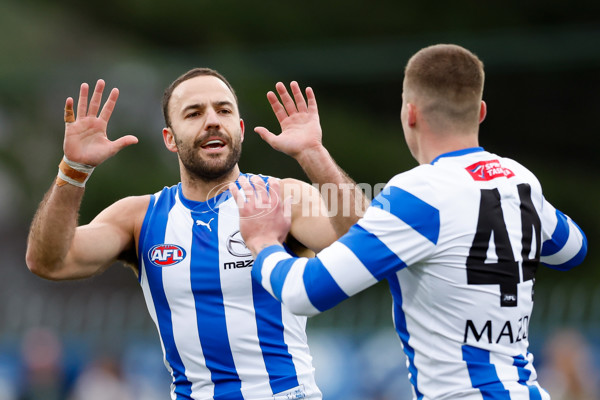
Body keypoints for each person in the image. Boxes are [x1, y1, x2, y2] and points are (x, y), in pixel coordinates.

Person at [231, 44, 589, 399]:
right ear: (480, 112)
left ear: (410, 114)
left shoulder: (418, 193)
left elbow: (304, 292)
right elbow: (573, 250)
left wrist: (263, 242)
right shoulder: (518, 179)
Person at [25, 68, 367, 400]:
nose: (213, 120)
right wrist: (74, 170)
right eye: (194, 113)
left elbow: (370, 241)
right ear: (170, 139)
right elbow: (49, 262)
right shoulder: (138, 218)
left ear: (240, 128)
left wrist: (314, 155)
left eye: (224, 110)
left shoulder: (282, 198)